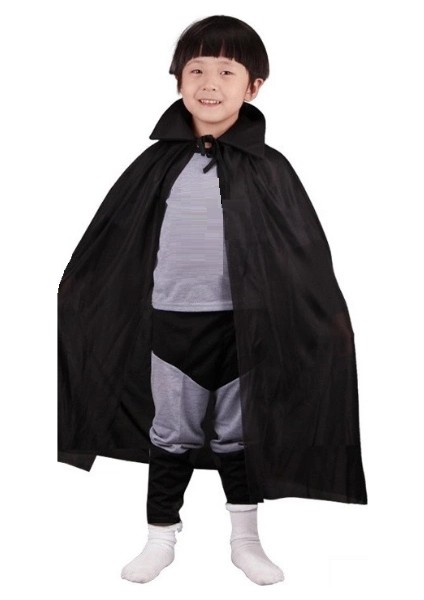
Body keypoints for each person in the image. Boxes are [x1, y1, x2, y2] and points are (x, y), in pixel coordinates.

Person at [58, 13, 367, 588]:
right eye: (196, 69)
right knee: (170, 432)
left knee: (237, 434)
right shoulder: (156, 166)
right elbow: (114, 240)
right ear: (178, 80)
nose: (209, 83)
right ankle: (159, 537)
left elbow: (301, 254)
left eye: (227, 71)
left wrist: (326, 317)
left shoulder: (270, 170)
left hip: (243, 328)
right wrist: (79, 293)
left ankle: (245, 541)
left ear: (253, 87)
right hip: (170, 326)